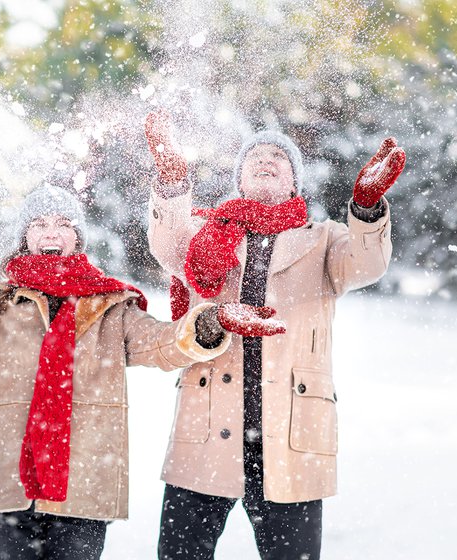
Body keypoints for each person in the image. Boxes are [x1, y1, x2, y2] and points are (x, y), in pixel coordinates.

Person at [0, 183, 287, 560]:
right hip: (6, 483)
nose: (51, 232)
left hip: (84, 484)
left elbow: (163, 343)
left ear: (78, 238)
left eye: (62, 224)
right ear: (24, 237)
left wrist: (211, 322)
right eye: (39, 224)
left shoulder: (113, 308)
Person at [144, 111, 406, 560]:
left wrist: (365, 209)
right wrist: (171, 180)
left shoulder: (324, 240)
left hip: (291, 434)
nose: (266, 160)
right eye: (255, 158)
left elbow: (367, 263)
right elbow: (167, 243)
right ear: (239, 182)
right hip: (208, 429)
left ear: (294, 184)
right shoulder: (205, 235)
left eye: (279, 158)